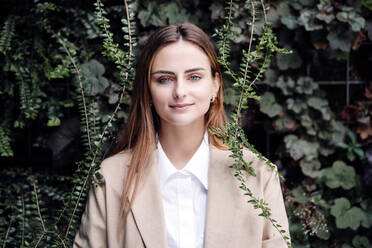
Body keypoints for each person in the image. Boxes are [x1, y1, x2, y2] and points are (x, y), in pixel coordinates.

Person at [74, 22, 290, 248]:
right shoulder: (111, 178)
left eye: (194, 77)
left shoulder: (258, 176)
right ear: (147, 90)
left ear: (215, 86)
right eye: (164, 79)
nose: (180, 92)